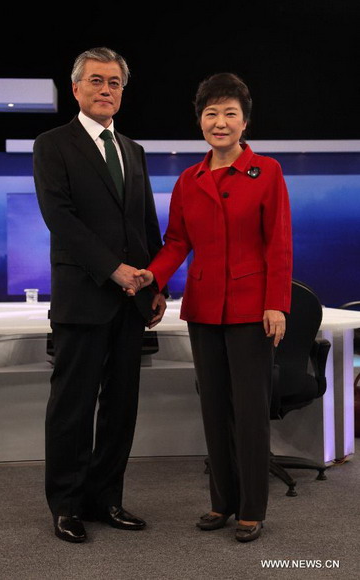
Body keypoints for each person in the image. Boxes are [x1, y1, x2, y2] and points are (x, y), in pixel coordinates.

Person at [129, 72, 292, 542]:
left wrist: (276, 304)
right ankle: (221, 503)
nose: (219, 122)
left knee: (250, 410)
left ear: (245, 121)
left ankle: (252, 508)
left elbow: (278, 244)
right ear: (200, 121)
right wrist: (152, 276)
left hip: (251, 311)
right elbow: (177, 241)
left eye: (229, 114)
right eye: (211, 113)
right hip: (203, 310)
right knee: (214, 410)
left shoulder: (268, 172)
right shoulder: (188, 179)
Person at [33, 47, 167, 543]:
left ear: (122, 92)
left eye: (114, 82)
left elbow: (146, 223)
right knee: (72, 405)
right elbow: (60, 219)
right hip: (84, 296)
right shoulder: (52, 144)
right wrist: (113, 270)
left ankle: (106, 497)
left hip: (133, 302)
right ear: (76, 89)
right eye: (95, 81)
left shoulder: (133, 150)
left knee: (121, 406)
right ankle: (66, 504)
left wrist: (157, 282)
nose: (105, 89)